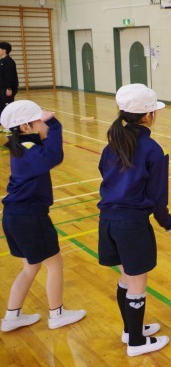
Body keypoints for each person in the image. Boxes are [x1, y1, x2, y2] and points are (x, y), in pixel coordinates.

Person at [98, 84, 171, 357]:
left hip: (108, 221)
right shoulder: (152, 149)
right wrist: (167, 222)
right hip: (131, 226)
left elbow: (105, 174)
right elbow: (158, 196)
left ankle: (130, 330)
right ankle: (136, 342)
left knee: (126, 277)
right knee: (137, 283)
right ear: (148, 115)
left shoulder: (112, 144)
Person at [1, 100, 86, 332]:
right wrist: (55, 125)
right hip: (30, 218)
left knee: (31, 267)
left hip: (15, 217)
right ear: (25, 127)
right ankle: (57, 313)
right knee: (54, 264)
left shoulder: (24, 146)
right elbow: (54, 155)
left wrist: (46, 123)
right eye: (40, 121)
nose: (45, 124)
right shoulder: (28, 150)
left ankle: (12, 316)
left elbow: (46, 148)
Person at [0, 42, 19, 123]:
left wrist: (9, 88)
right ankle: (2, 124)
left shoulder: (8, 61)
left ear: (4, 50)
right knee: (1, 108)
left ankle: (10, 125)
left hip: (8, 89)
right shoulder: (1, 61)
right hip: (2, 88)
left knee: (7, 108)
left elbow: (9, 76)